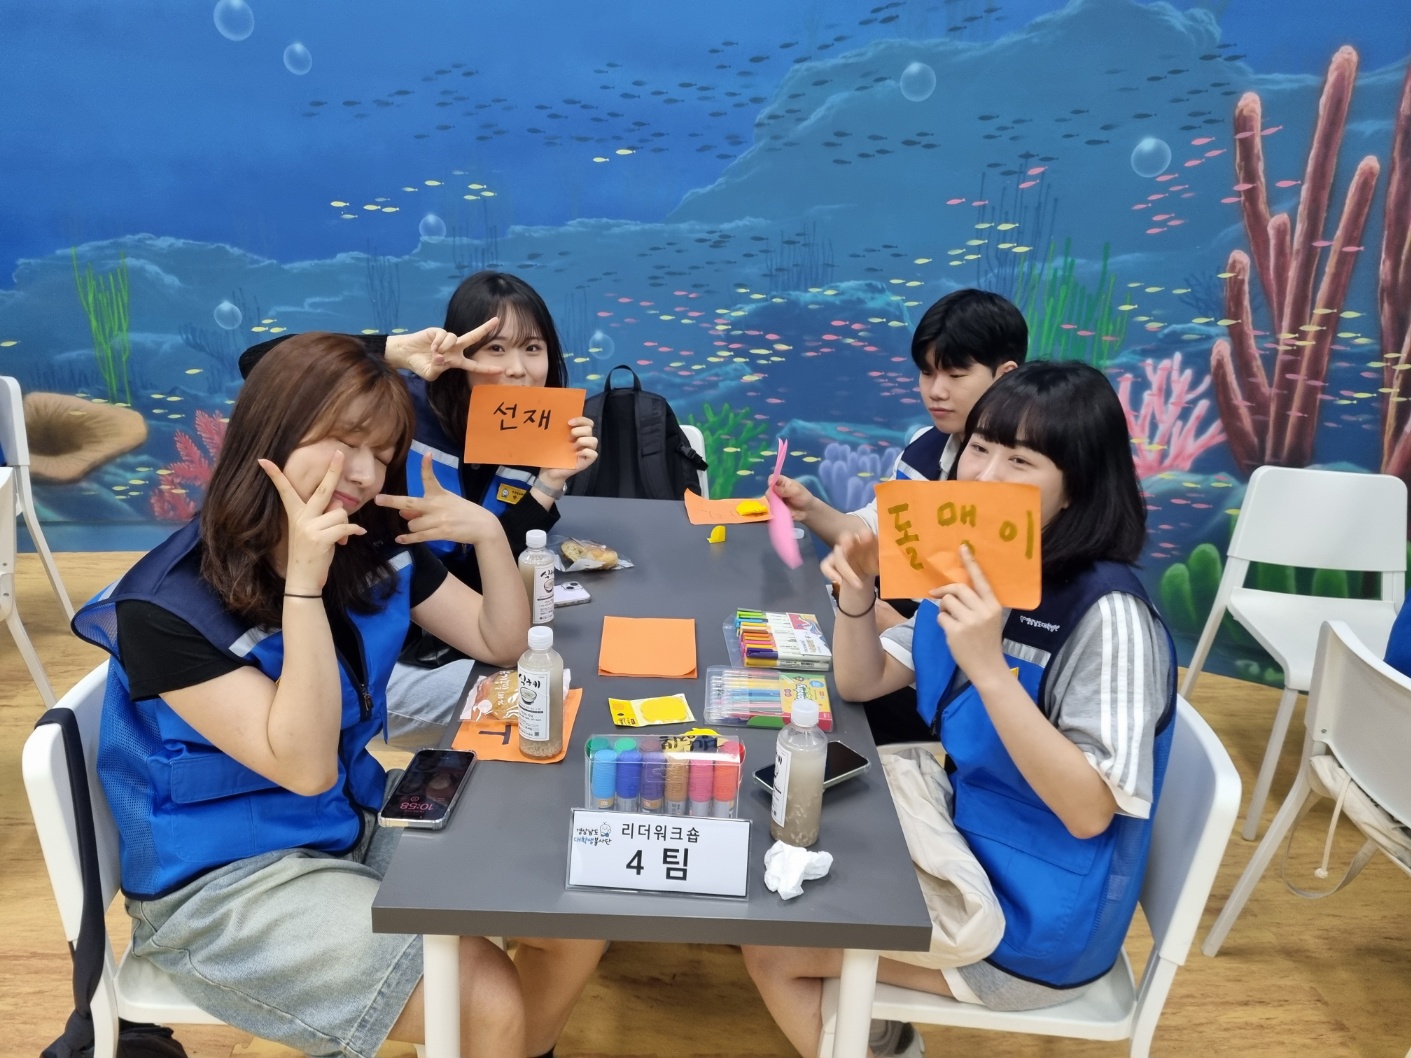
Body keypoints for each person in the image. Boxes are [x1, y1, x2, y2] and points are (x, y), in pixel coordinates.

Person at [74, 334, 597, 1058]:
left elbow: (498, 640)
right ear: (272, 433)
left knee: (572, 912)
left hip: (348, 818)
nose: (362, 471)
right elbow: (305, 765)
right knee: (484, 997)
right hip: (224, 885)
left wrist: (486, 535)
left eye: (380, 452)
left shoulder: (369, 545)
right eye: (343, 441)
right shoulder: (165, 608)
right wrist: (304, 588)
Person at [742, 361, 1176, 1058]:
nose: (985, 476)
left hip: (1031, 928)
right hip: (965, 842)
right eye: (979, 448)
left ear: (1077, 487)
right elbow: (862, 680)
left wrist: (989, 669)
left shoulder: (1111, 617)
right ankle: (879, 1035)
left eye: (1020, 461)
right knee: (776, 849)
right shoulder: (973, 561)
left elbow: (1089, 811)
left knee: (773, 946)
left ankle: (880, 1041)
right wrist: (856, 595)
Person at [240, 271, 599, 748]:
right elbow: (263, 364)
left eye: (533, 348)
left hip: (440, 617)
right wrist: (394, 349)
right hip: (362, 631)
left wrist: (548, 485)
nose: (517, 368)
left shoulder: (539, 439)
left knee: (552, 689)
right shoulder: (397, 407)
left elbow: (486, 577)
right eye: (495, 348)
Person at [772, 288, 1027, 744]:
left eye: (956, 374)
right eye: (926, 372)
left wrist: (899, 628)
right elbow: (874, 534)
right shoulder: (925, 447)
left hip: (938, 691)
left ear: (1006, 376)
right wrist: (810, 508)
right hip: (897, 646)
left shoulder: (1013, 503)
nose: (936, 390)